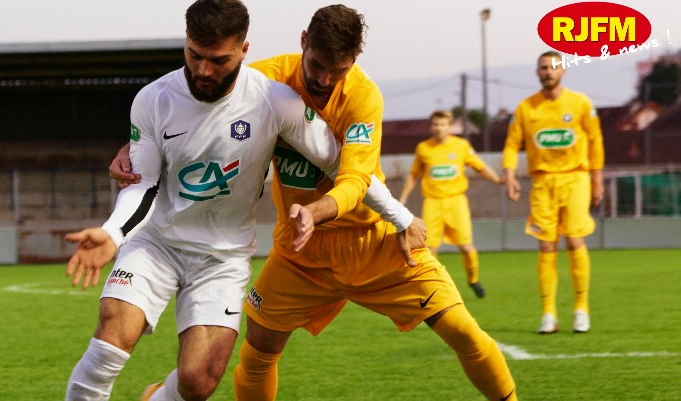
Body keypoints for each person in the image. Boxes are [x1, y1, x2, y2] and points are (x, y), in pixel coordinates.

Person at [111, 5, 517, 401]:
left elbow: (356, 179)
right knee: (258, 350)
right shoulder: (266, 81)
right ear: (303, 41)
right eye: (316, 65)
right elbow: (192, 108)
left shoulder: (363, 98)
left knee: (464, 332)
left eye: (337, 70)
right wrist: (135, 146)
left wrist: (317, 211)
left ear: (355, 58)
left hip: (374, 243)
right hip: (301, 254)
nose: (323, 79)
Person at [62, 1, 411, 400]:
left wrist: (400, 217)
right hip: (157, 243)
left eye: (219, 60)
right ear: (186, 42)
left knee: (198, 382)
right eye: (194, 55)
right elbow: (144, 185)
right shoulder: (153, 99)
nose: (203, 70)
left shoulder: (275, 101)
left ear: (244, 50)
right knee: (112, 337)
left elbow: (343, 166)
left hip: (222, 257)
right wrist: (113, 234)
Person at [503, 50, 604, 334]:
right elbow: (512, 144)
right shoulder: (526, 108)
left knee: (574, 240)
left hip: (576, 179)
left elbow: (595, 142)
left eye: (553, 67)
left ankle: (581, 309)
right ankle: (548, 314)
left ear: (563, 71)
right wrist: (509, 176)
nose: (548, 71)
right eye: (543, 67)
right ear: (537, 72)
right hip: (542, 182)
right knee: (546, 245)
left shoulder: (580, 103)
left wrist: (597, 180)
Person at [398, 110, 505, 299]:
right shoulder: (424, 148)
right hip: (432, 203)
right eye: (435, 124)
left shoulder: (461, 146)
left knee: (466, 247)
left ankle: (473, 280)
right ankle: (434, 286)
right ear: (431, 127)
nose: (439, 128)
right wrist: (403, 198)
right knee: (430, 248)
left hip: (456, 202)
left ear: (450, 127)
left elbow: (479, 166)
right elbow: (414, 175)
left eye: (443, 124)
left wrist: (497, 179)